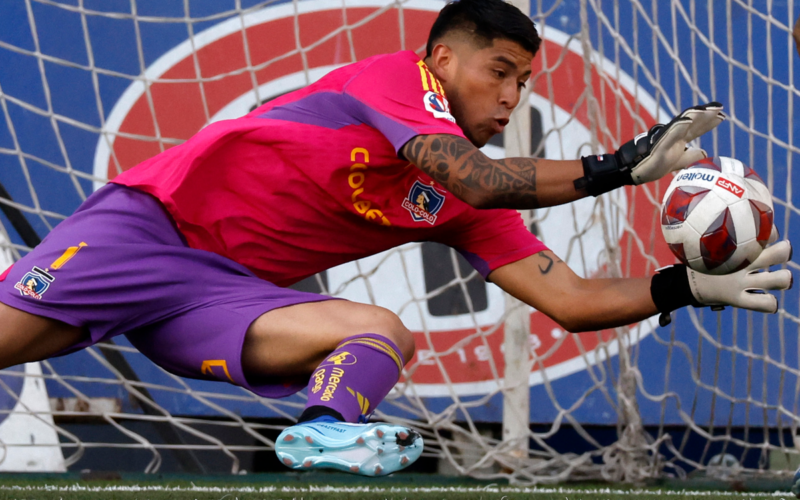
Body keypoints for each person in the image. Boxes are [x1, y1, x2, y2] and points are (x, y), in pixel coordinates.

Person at [0, 0, 791, 477]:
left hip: (218, 299)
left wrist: (682, 286)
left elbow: (571, 300)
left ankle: (319, 436)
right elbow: (481, 178)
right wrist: (616, 167)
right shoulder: (390, 83)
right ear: (441, 59)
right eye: (500, 71)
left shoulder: (458, 198)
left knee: (382, 333)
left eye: (524, 83)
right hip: (142, 235)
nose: (512, 97)